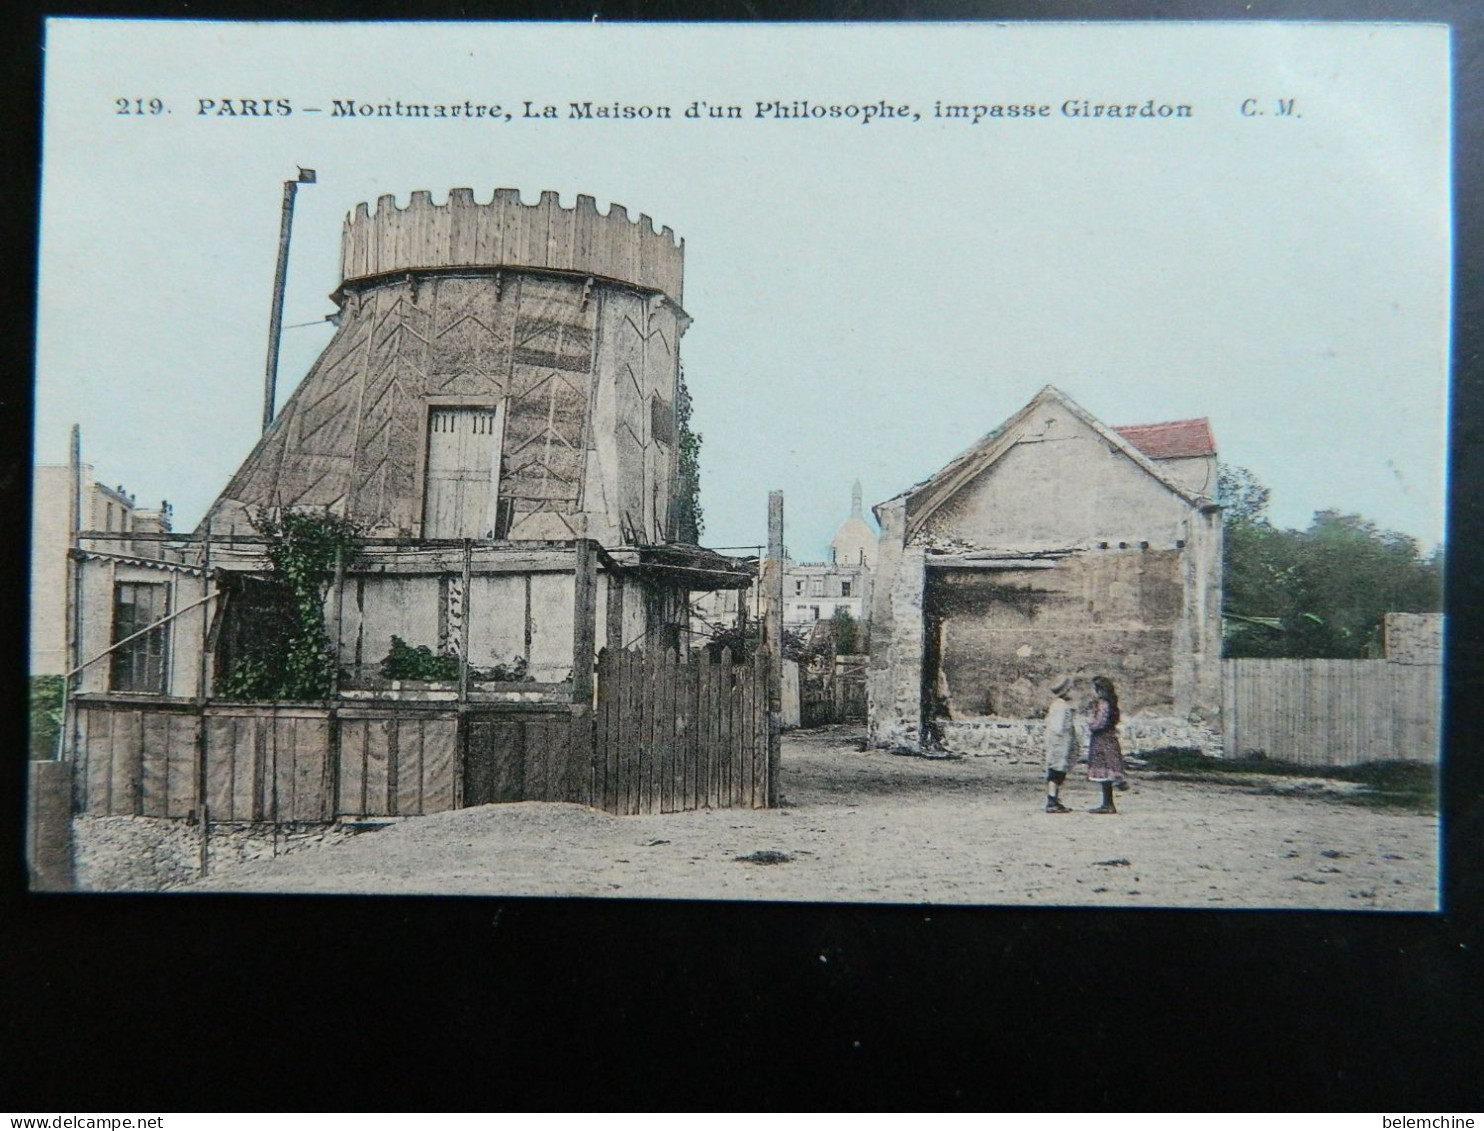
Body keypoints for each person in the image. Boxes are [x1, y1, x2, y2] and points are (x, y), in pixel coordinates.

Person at [1084, 675, 1127, 814]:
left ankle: (1108, 804)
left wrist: (1090, 723)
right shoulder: (1112, 703)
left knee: (1104, 769)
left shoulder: (1103, 704)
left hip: (1101, 739)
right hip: (1109, 738)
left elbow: (1099, 723)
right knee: (1108, 769)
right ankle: (1108, 802)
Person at [1042, 675, 1076, 813]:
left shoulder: (1057, 704)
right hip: (1060, 744)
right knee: (1056, 771)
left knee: (1056, 770)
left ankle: (1054, 798)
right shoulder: (1062, 706)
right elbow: (1059, 727)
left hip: (1058, 743)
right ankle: (1052, 800)